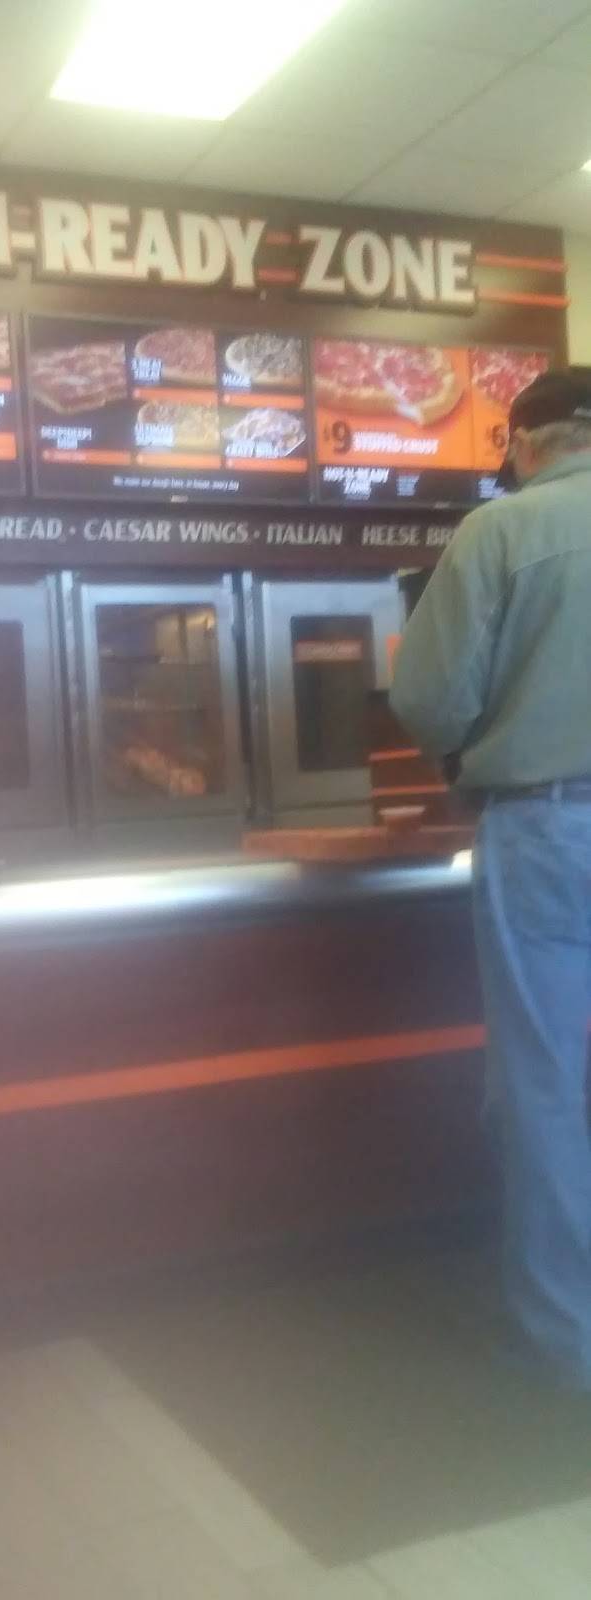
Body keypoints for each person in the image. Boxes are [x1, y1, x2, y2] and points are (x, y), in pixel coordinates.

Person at [390, 369, 591, 1392]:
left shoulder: (501, 531)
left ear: (521, 443)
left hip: (549, 824)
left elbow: (429, 701)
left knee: (546, 1085)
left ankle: (567, 1338)